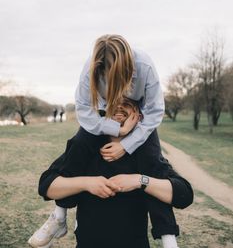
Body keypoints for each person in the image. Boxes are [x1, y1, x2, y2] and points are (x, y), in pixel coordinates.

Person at [29, 98, 193, 248]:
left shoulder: (144, 154)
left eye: (127, 103)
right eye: (114, 101)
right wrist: (87, 183)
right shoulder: (87, 147)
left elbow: (184, 194)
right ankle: (58, 219)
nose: (120, 106)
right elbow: (47, 185)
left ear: (138, 111)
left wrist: (139, 181)